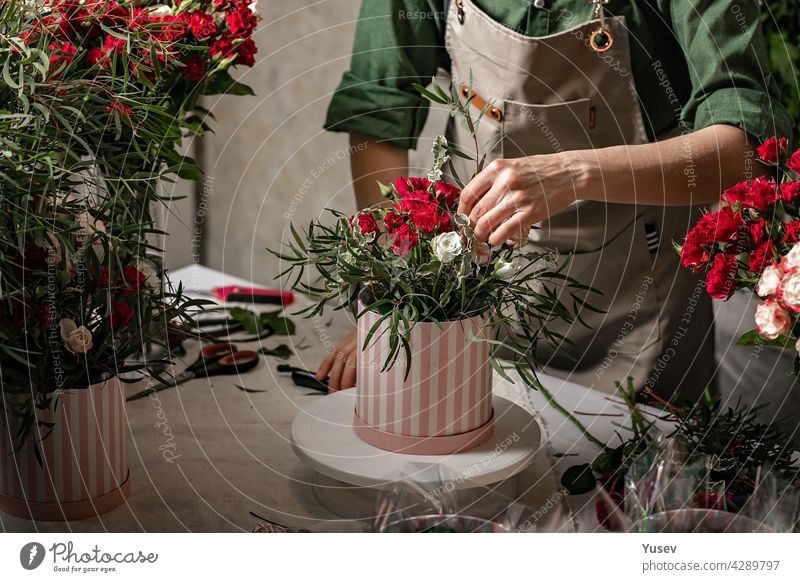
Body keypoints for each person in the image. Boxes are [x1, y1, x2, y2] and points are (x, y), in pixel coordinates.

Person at [318, 0, 791, 400]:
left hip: (640, 295)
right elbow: (381, 105)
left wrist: (574, 173)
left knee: (640, 493)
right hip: (466, 288)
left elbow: (745, 150)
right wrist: (392, 295)